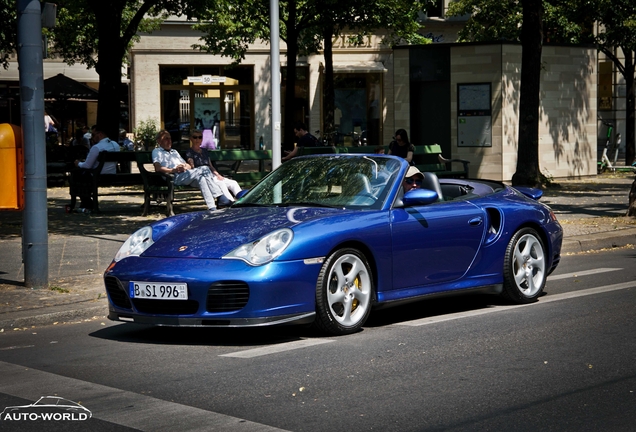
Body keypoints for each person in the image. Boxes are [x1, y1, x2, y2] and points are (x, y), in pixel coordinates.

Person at [152, 129, 230, 210]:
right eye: (166, 139)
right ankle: (220, 197)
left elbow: (189, 166)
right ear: (159, 141)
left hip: (185, 174)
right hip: (173, 177)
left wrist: (184, 167)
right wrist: (174, 170)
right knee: (205, 168)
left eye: (170, 139)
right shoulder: (157, 151)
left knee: (202, 179)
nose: (169, 141)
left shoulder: (174, 151)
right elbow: (158, 168)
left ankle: (212, 207)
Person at [69, 125, 120, 210]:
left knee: (76, 176)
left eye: (93, 135)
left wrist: (78, 163)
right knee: (83, 176)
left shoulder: (97, 147)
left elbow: (87, 166)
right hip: (113, 175)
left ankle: (86, 202)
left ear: (99, 134)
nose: (91, 137)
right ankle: (86, 202)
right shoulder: (115, 145)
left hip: (98, 176)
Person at [185, 129, 242, 203]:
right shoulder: (189, 152)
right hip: (203, 177)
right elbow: (192, 167)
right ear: (191, 138)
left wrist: (218, 175)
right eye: (195, 137)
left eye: (200, 137)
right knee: (221, 183)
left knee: (233, 183)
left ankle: (242, 200)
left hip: (212, 174)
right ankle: (230, 202)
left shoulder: (204, 151)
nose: (197, 139)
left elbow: (210, 165)